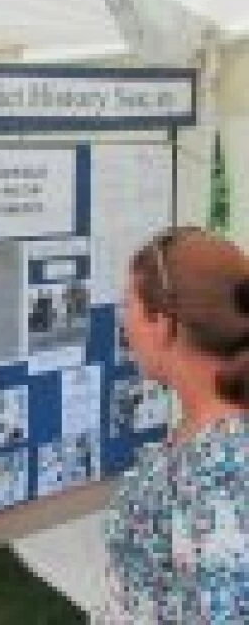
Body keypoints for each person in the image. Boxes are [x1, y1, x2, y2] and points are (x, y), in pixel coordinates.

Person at [95, 226, 248, 623]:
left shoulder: (217, 480)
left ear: (162, 323)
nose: (123, 323)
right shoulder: (205, 433)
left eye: (128, 305)